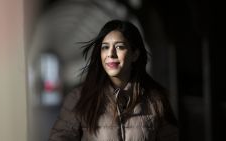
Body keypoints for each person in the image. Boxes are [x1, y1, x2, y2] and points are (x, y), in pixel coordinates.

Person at [49, 19, 178, 141]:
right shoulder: (79, 98)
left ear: (135, 54)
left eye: (119, 47)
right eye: (105, 47)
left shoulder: (156, 101)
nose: (111, 54)